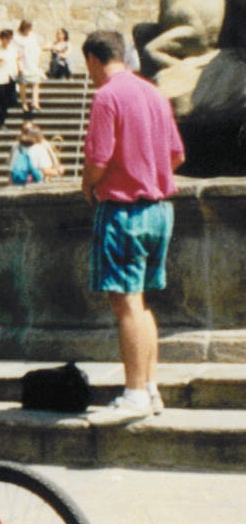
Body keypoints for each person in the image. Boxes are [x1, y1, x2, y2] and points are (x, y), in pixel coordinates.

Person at [80, 29, 185, 422]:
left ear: (92, 58)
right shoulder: (154, 93)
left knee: (125, 303)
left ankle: (135, 392)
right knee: (140, 303)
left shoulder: (107, 96)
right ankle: (151, 387)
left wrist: (88, 184)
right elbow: (177, 155)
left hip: (125, 211)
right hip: (160, 209)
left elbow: (99, 158)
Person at [9, 118, 62, 185]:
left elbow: (11, 170)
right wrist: (58, 172)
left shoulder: (17, 147)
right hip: (36, 185)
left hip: (18, 184)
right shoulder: (39, 148)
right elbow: (45, 170)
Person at [12, 18, 42, 113]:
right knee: (23, 83)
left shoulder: (32, 36)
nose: (29, 30)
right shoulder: (16, 38)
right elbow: (15, 52)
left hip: (32, 61)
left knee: (36, 81)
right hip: (23, 62)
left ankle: (35, 101)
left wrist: (38, 61)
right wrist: (18, 64)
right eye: (27, 28)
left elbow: (36, 49)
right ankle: (24, 103)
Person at [0, 27, 18, 125]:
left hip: (10, 76)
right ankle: (1, 119)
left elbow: (15, 61)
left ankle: (2, 111)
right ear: (2, 38)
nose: (8, 41)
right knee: (2, 99)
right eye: (6, 38)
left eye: (9, 38)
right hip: (0, 77)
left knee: (11, 99)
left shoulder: (12, 49)